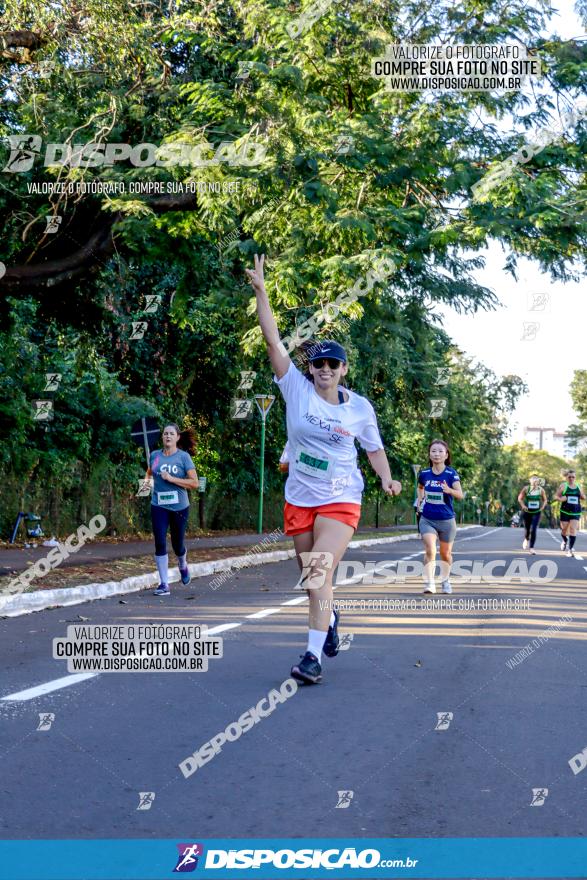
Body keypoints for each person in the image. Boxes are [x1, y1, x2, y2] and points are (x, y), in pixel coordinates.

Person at [246, 253, 402, 685]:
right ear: (310, 369)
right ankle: (330, 616)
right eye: (319, 364)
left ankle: (312, 657)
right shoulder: (295, 388)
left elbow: (374, 449)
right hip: (300, 498)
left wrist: (386, 477)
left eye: (333, 364)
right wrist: (262, 292)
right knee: (312, 578)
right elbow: (274, 342)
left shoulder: (360, 409)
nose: (325, 371)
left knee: (318, 572)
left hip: (341, 497)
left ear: (343, 369)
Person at [145, 424, 199, 595]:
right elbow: (149, 472)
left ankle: (182, 564)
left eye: (171, 434)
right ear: (162, 437)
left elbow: (194, 483)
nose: (167, 436)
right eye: (165, 434)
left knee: (177, 544)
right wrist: (146, 485)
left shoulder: (183, 458)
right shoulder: (155, 455)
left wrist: (172, 479)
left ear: (177, 438)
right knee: (160, 541)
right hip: (158, 505)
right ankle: (164, 584)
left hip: (179, 507)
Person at [417, 440, 464, 594]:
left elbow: (460, 495)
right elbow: (420, 487)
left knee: (445, 554)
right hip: (427, 519)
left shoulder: (451, 474)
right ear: (429, 454)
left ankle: (445, 580)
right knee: (430, 549)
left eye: (440, 451)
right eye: (433, 451)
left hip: (447, 520)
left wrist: (449, 490)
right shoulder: (424, 474)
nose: (436, 454)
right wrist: (420, 500)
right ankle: (430, 583)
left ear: (446, 455)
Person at [555, 469, 585, 557]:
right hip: (565, 511)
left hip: (575, 512)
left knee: (573, 530)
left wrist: (583, 496)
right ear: (566, 477)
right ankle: (564, 540)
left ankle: (570, 550)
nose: (571, 478)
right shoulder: (563, 486)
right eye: (569, 477)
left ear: (575, 478)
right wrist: (561, 499)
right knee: (564, 531)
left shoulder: (578, 486)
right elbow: (556, 496)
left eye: (573, 477)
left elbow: (583, 497)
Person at [517, 475, 547, 554]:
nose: (534, 482)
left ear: (538, 481)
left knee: (533, 529)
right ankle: (526, 539)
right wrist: (523, 506)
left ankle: (532, 547)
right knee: (527, 530)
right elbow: (520, 498)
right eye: (533, 480)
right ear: (530, 481)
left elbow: (545, 500)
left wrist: (542, 507)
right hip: (527, 512)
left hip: (536, 512)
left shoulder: (541, 490)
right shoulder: (526, 489)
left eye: (536, 480)